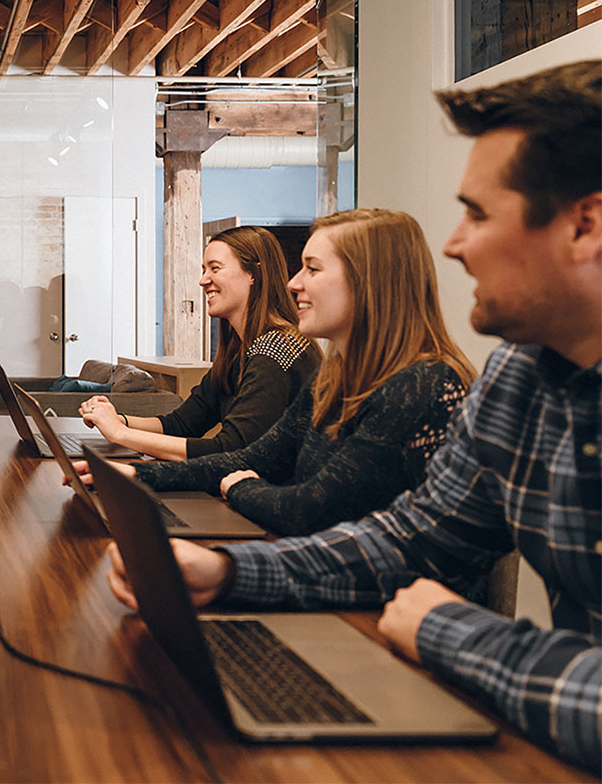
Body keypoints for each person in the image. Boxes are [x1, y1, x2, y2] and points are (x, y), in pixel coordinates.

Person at [105, 61, 600, 772]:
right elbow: (410, 540)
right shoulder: (522, 380)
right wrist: (228, 574)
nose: (455, 243)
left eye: (479, 213)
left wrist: (453, 632)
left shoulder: (435, 382)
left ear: (585, 223)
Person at [76, 209, 475, 537]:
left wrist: (240, 485)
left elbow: (305, 508)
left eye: (312, 270)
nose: (295, 283)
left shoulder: (422, 386)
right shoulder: (337, 377)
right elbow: (255, 456)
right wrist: (136, 475)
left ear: (369, 281)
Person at [78, 226, 320, 460]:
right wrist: (119, 420)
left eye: (215, 268)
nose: (203, 280)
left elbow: (231, 450)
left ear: (254, 274)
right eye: (204, 269)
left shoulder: (275, 350)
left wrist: (122, 434)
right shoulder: (239, 352)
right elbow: (182, 424)